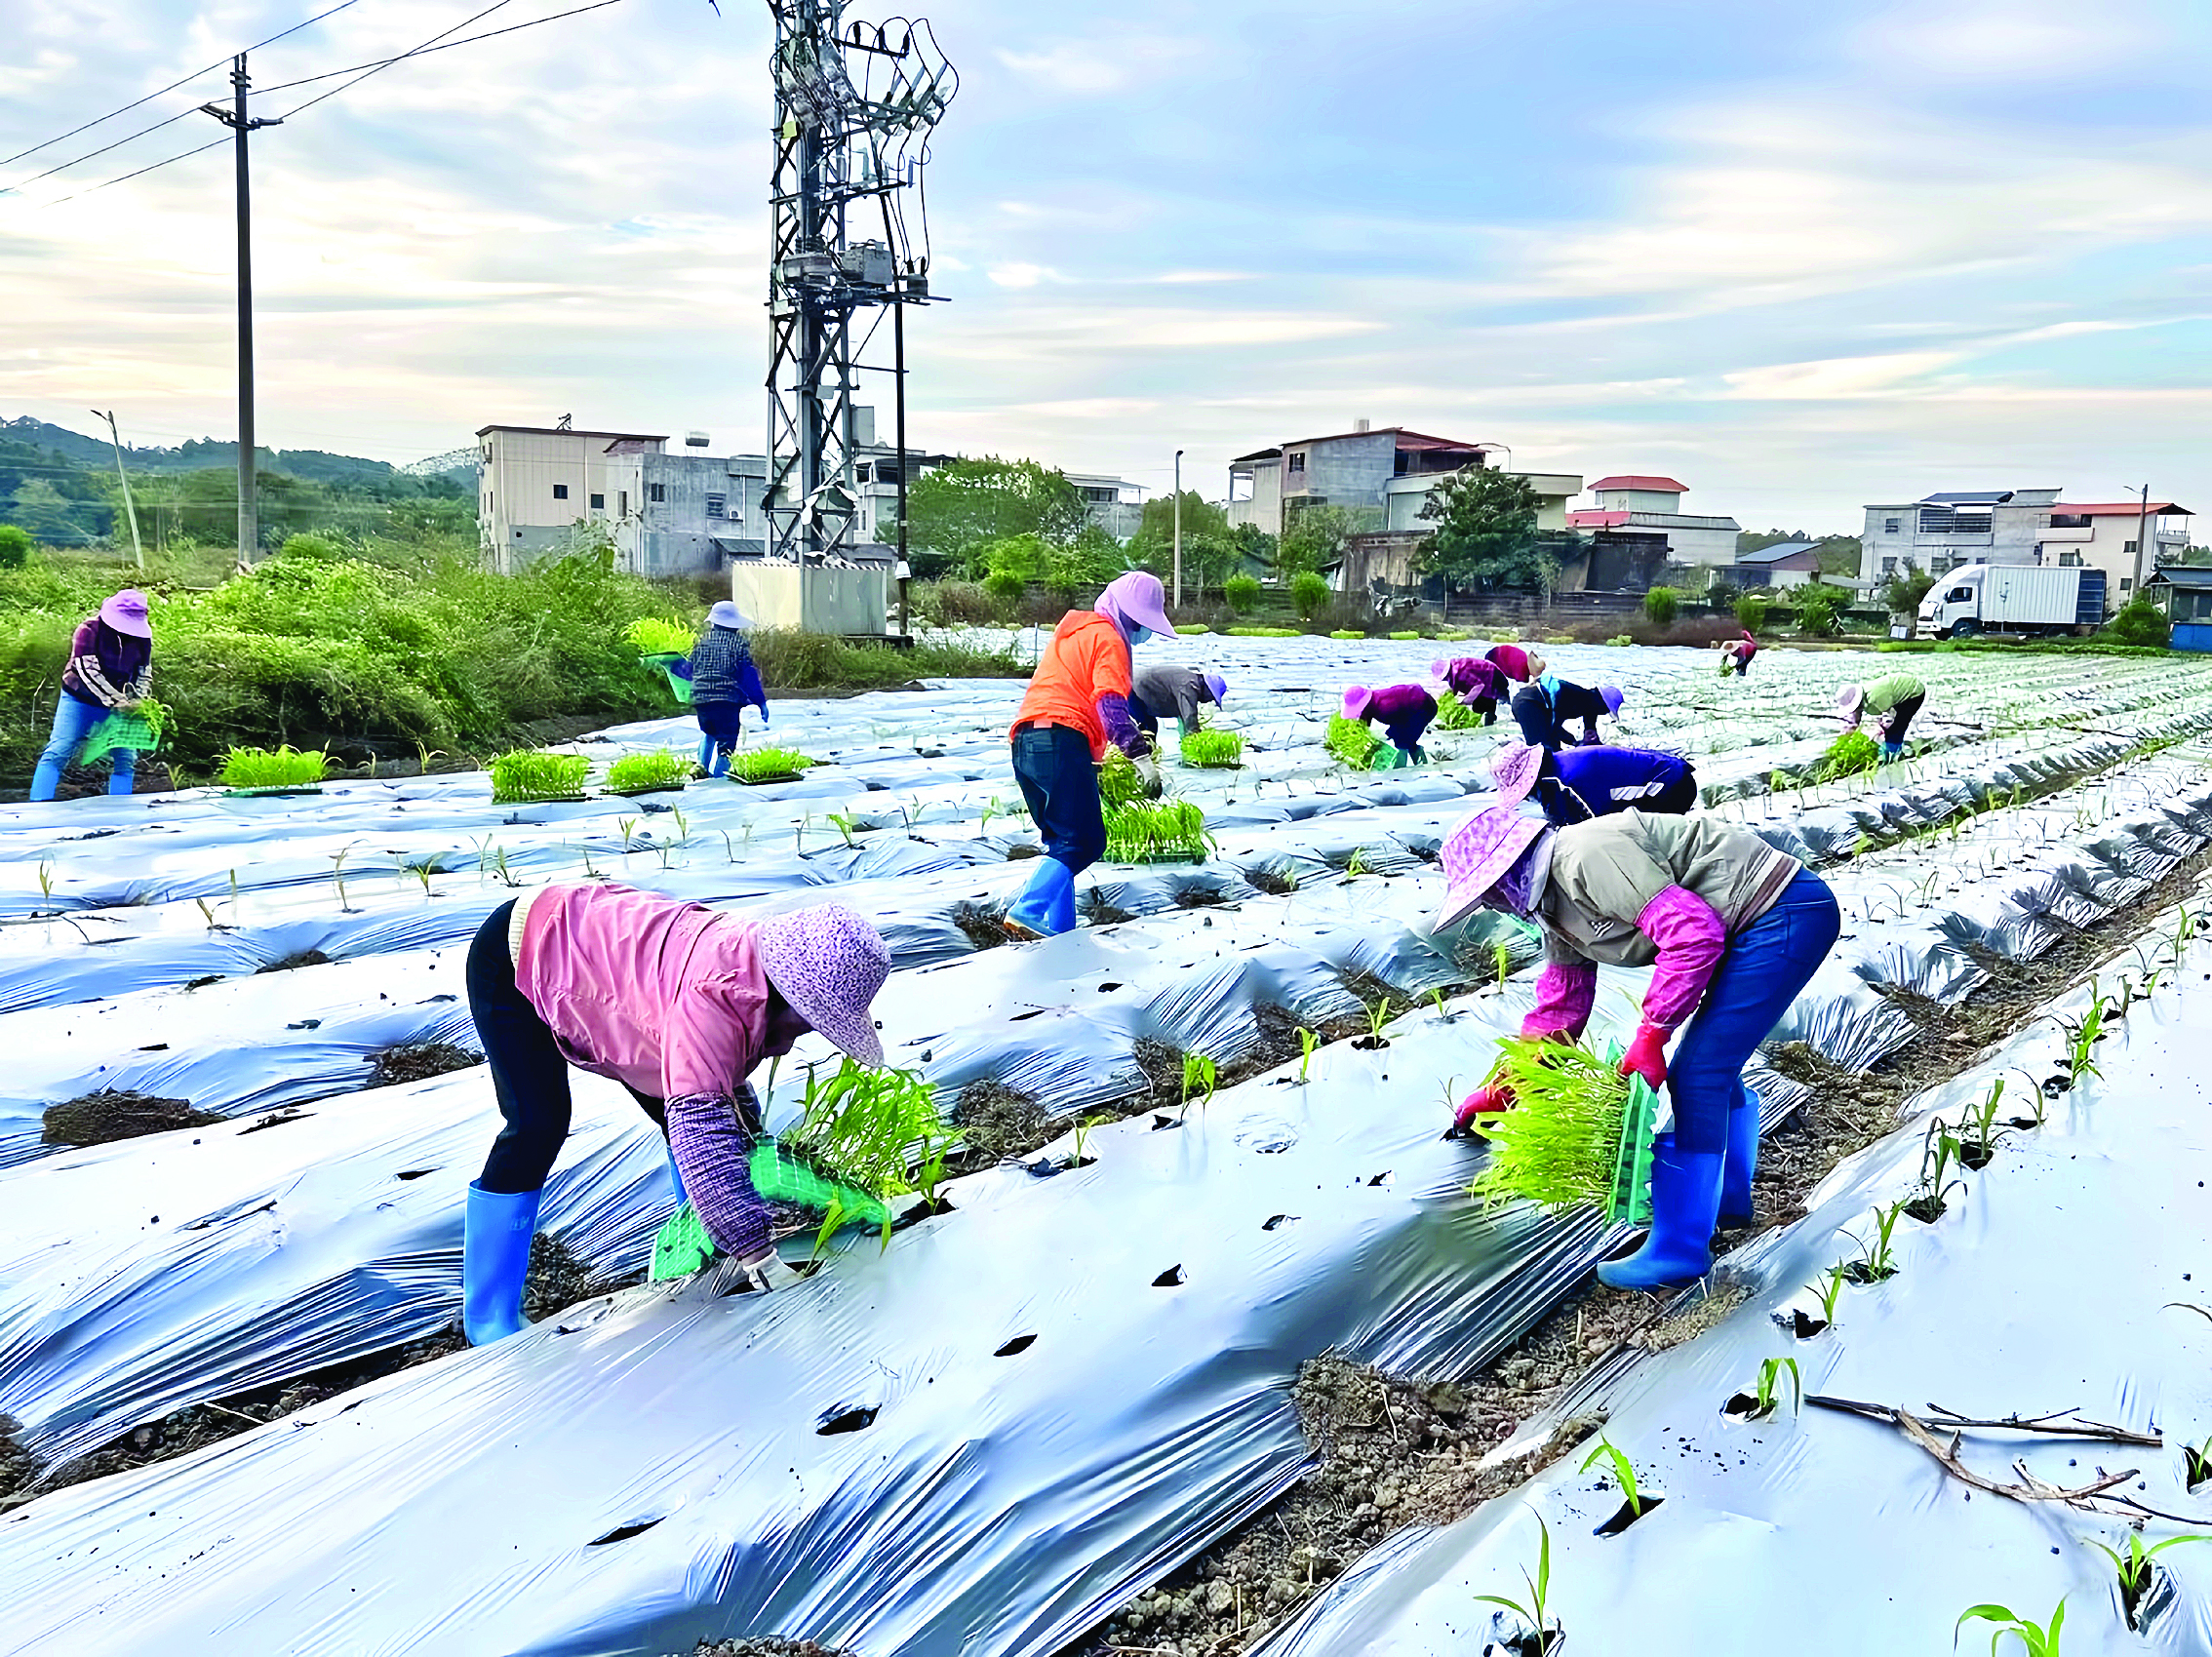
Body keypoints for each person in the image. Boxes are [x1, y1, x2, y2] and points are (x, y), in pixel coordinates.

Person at [462, 882, 891, 1343]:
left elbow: (721, 1099)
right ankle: (489, 1319)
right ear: (785, 993)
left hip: (612, 972)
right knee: (538, 1122)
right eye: (804, 1021)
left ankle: (696, 1242)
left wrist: (746, 1162)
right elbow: (703, 1141)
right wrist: (760, 1259)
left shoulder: (747, 969)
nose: (791, 1041)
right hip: (521, 952)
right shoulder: (713, 999)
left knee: (697, 1114)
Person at [1436, 806, 1839, 1289]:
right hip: (1750, 923)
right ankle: (1726, 1200)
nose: (1491, 906)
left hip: (1780, 913)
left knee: (1697, 1075)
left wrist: (1652, 1033)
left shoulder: (1585, 857)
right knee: (1714, 1066)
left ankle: (1680, 1248)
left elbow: (1692, 935)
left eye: (1488, 893)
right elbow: (1562, 1006)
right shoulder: (1553, 906)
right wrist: (1510, 1084)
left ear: (1510, 871)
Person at [1002, 571, 1176, 940]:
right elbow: (1109, 703)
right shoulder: (1109, 639)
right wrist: (1140, 757)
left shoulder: (1075, 633)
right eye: (1139, 623)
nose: (1139, 632)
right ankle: (1027, 909)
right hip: (1061, 740)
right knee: (1088, 841)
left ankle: (1060, 929)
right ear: (1125, 615)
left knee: (1062, 841)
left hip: (1027, 742)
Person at [31, 589, 153, 802]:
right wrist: (116, 700)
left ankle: (120, 806)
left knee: (126, 756)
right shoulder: (88, 631)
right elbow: (88, 672)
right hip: (80, 698)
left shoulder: (142, 639)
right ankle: (38, 804)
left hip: (121, 702)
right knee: (60, 748)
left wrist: (138, 699)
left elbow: (144, 671)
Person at [1491, 740, 1698, 826]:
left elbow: (1596, 827)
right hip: (1673, 774)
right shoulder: (1559, 763)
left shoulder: (1569, 781)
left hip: (1673, 788)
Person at [688, 602, 770, 778]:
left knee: (709, 731)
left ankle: (700, 769)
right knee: (726, 740)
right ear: (734, 626)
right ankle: (718, 780)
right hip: (727, 699)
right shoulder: (738, 644)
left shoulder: (702, 642)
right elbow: (748, 675)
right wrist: (760, 702)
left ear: (714, 623)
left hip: (701, 699)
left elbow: (689, 670)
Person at [1511, 675, 1624, 750]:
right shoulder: (1576, 697)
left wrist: (1590, 732)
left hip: (1533, 704)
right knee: (1544, 749)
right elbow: (1554, 727)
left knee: (1552, 747)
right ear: (1601, 704)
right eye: (1605, 710)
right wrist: (1574, 742)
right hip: (1528, 704)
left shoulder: (1589, 700)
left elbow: (1590, 715)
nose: (1603, 714)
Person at [1130, 664, 1228, 751]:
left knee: (1150, 725)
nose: (1209, 700)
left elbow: (1183, 714)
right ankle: (1138, 757)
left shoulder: (1188, 679)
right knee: (1148, 728)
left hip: (1134, 685)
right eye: (1211, 697)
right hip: (1132, 689)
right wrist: (1195, 741)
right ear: (1207, 689)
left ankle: (1145, 756)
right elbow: (1189, 715)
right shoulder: (1189, 685)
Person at [1837, 670, 1925, 763]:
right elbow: (1853, 721)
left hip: (1913, 693)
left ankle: (1894, 754)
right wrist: (1846, 737)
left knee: (1896, 728)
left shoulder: (1875, 699)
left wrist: (1881, 734)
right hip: (1894, 696)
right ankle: (1893, 748)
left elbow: (1889, 717)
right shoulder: (1861, 702)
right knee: (1887, 734)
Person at [1342, 684, 1437, 767]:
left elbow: (1403, 725)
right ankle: (1420, 762)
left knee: (1402, 742)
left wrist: (1393, 735)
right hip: (1406, 710)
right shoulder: (1371, 703)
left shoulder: (1385, 708)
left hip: (1423, 707)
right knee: (1403, 738)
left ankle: (1401, 770)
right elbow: (1364, 722)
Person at [1434, 656, 1511, 726]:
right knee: (1483, 706)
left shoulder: (1461, 672)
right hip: (1487, 677)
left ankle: (1506, 718)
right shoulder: (1456, 666)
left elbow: (1479, 686)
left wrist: (1466, 701)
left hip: (1493, 677)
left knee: (1483, 707)